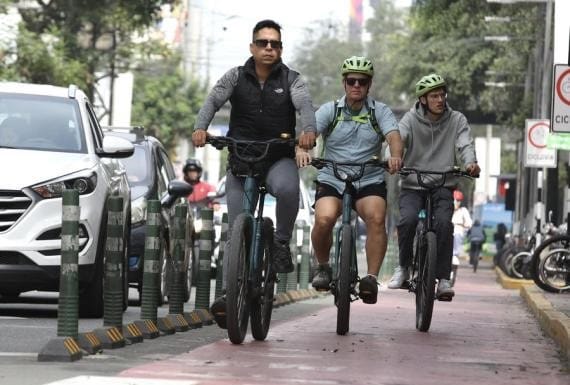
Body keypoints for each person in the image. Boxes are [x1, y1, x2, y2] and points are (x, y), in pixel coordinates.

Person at [191, 19, 317, 327]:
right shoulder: (234, 76)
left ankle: (279, 244)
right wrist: (200, 127)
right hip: (240, 161)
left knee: (288, 190)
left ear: (281, 49)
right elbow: (212, 100)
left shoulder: (293, 79)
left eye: (274, 44)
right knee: (236, 230)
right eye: (263, 43)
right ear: (253, 47)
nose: (269, 48)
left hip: (276, 158)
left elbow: (305, 107)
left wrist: (309, 132)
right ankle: (226, 294)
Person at [296, 56, 403, 304]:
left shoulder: (381, 111)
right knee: (323, 219)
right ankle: (323, 266)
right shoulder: (329, 110)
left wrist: (395, 156)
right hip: (332, 177)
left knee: (377, 218)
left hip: (369, 178)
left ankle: (371, 279)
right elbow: (310, 133)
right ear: (344, 83)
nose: (357, 86)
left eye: (362, 82)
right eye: (352, 81)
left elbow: (394, 137)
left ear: (369, 85)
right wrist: (303, 148)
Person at [387, 73, 480, 301]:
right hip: (413, 183)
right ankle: (404, 267)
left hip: (443, 183)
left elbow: (465, 144)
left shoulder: (457, 119)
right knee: (407, 220)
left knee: (444, 225)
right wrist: (395, 157)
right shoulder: (409, 119)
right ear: (423, 100)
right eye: (434, 96)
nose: (440, 99)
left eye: (442, 95)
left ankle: (444, 279)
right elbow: (400, 138)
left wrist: (470, 163)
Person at [450, 189, 472, 283]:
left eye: (458, 200)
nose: (456, 202)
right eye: (454, 200)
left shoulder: (463, 211)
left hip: (458, 233)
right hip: (447, 232)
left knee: (454, 254)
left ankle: (452, 272)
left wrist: (463, 225)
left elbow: (469, 223)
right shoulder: (446, 210)